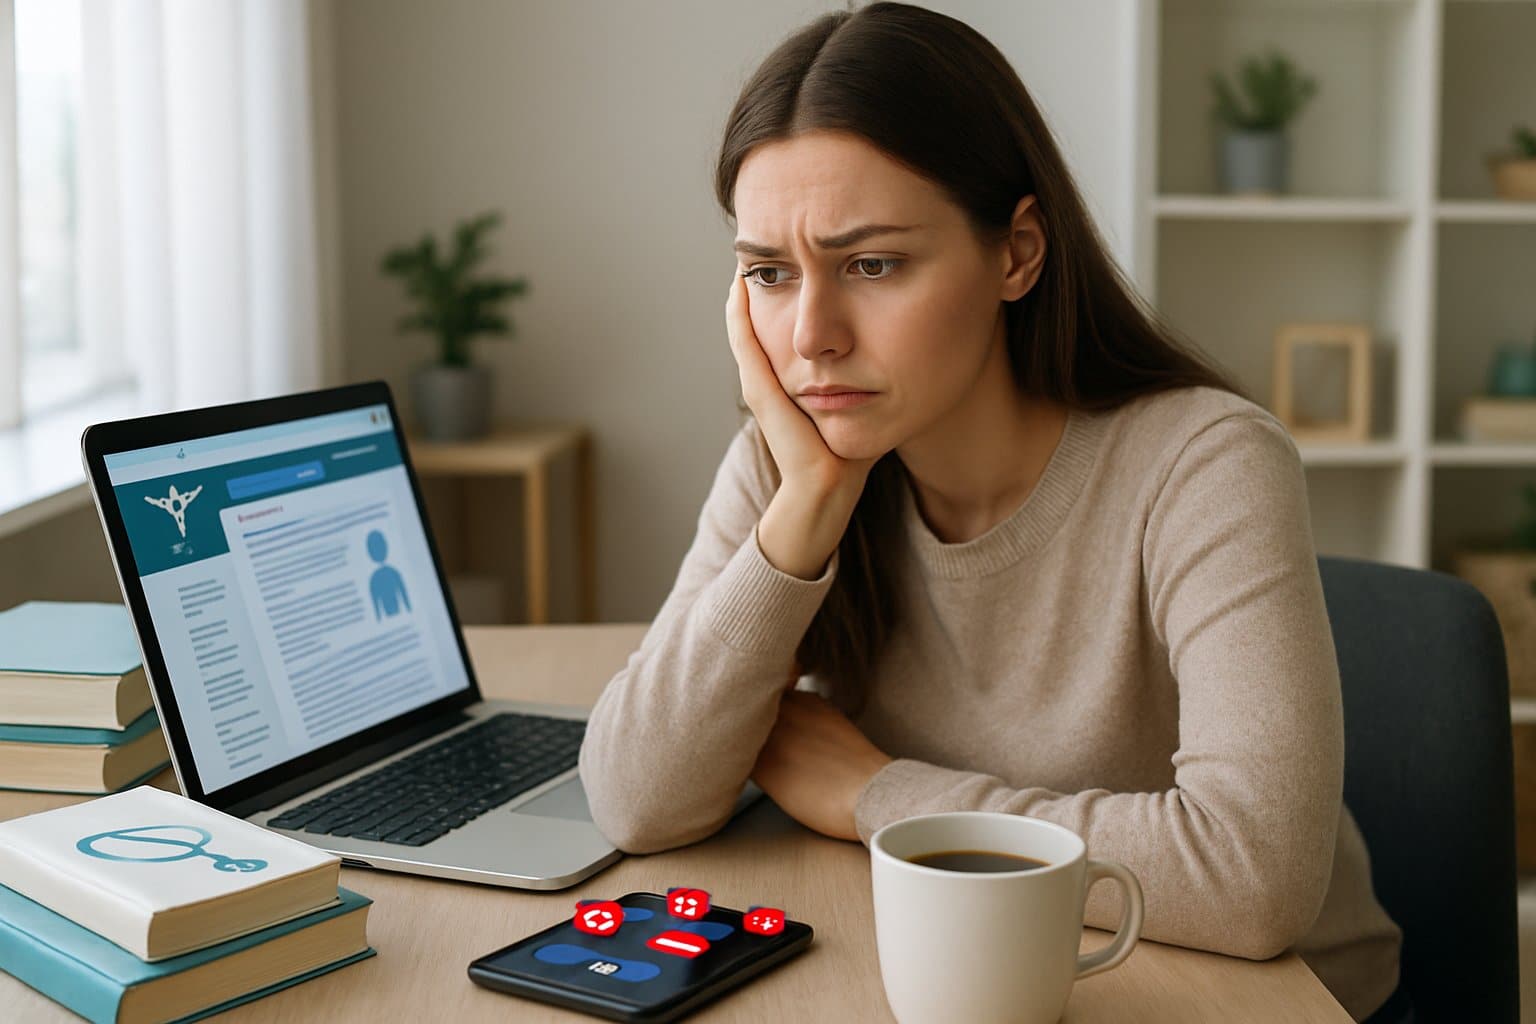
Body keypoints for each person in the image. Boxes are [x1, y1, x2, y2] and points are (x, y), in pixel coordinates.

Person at [575, 4, 1408, 1022]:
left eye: (872, 264)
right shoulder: (793, 465)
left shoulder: (1202, 460)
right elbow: (636, 799)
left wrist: (876, 797)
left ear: (1017, 252)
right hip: (1000, 979)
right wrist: (804, 517)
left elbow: (1252, 875)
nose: (812, 335)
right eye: (768, 274)